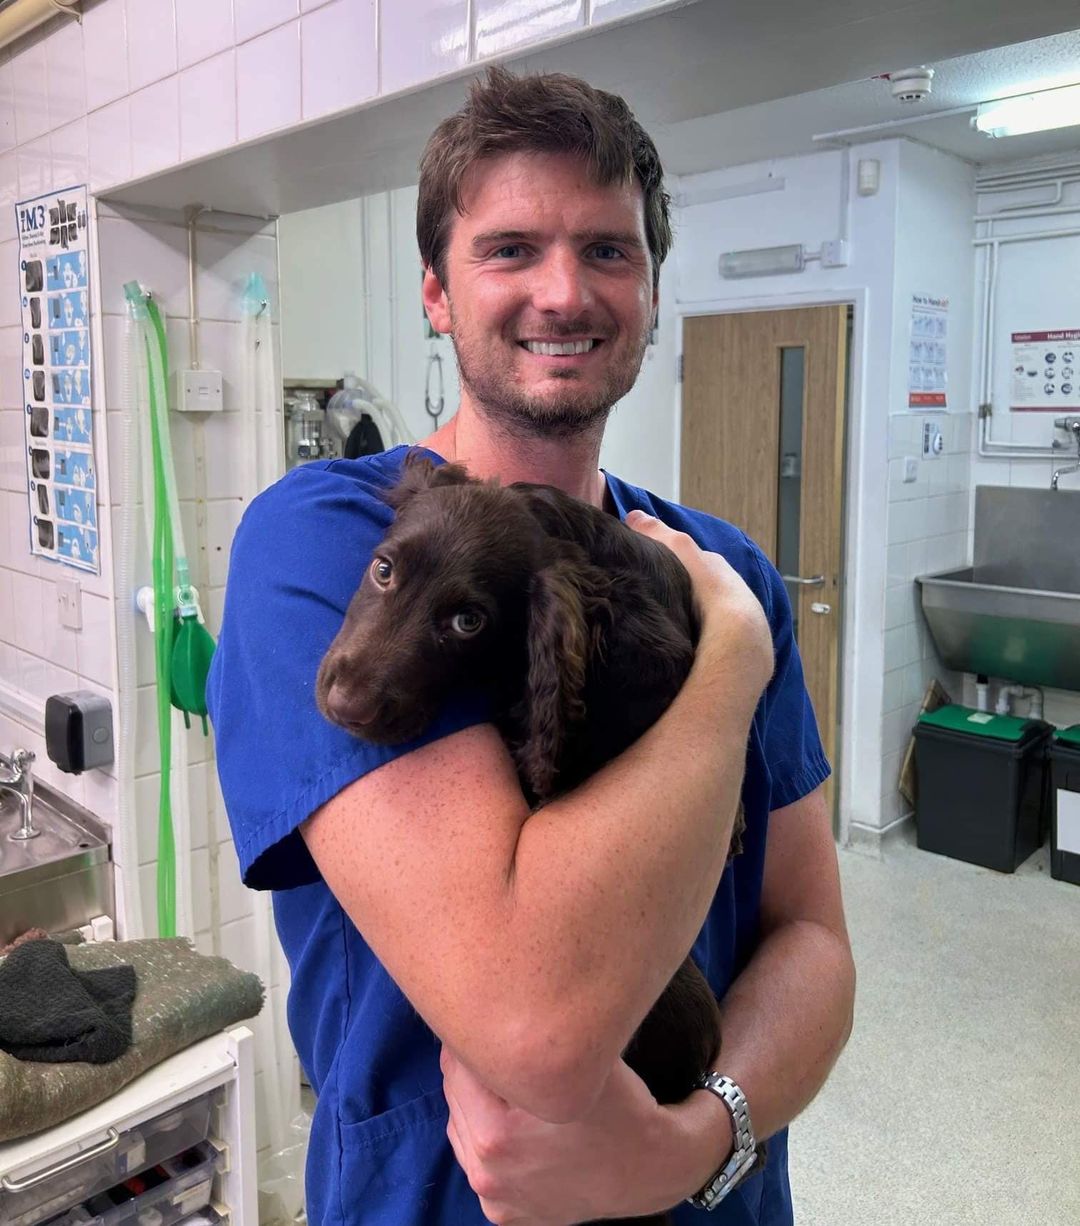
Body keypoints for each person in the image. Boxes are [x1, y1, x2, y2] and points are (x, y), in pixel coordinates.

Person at [208, 68, 855, 1226]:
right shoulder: (333, 543)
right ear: (437, 293)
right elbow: (536, 1022)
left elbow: (812, 939)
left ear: (653, 290)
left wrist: (689, 1143)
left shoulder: (724, 569)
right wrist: (732, 663)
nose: (564, 291)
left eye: (609, 251)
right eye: (510, 248)